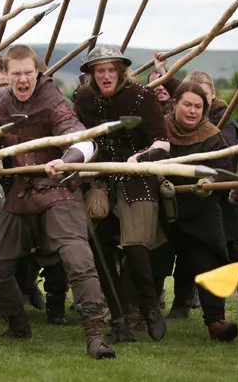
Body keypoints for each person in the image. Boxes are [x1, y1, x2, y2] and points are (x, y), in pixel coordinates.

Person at [0, 44, 115, 360]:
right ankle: (18, 325)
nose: (23, 80)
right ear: (4, 74)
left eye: (29, 73)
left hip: (59, 189)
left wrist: (66, 160)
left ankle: (95, 335)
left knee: (78, 259)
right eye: (16, 74)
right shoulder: (1, 101)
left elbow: (83, 141)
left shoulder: (53, 101)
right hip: (23, 192)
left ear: (37, 72)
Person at [73, 45, 168, 343]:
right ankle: (119, 322)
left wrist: (140, 159)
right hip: (100, 182)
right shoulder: (83, 98)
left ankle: (150, 307)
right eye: (99, 70)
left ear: (121, 71)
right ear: (91, 74)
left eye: (111, 69)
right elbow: (81, 137)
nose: (105, 74)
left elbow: (163, 143)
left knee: (135, 247)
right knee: (99, 252)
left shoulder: (142, 96)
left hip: (138, 179)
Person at [162, 82, 238, 341]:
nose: (192, 111)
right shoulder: (159, 130)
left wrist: (211, 184)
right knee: (149, 259)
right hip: (163, 209)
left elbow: (223, 170)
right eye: (187, 105)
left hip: (201, 211)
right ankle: (142, 315)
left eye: (198, 106)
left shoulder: (213, 136)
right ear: (175, 105)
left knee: (208, 260)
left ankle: (216, 322)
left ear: (204, 109)